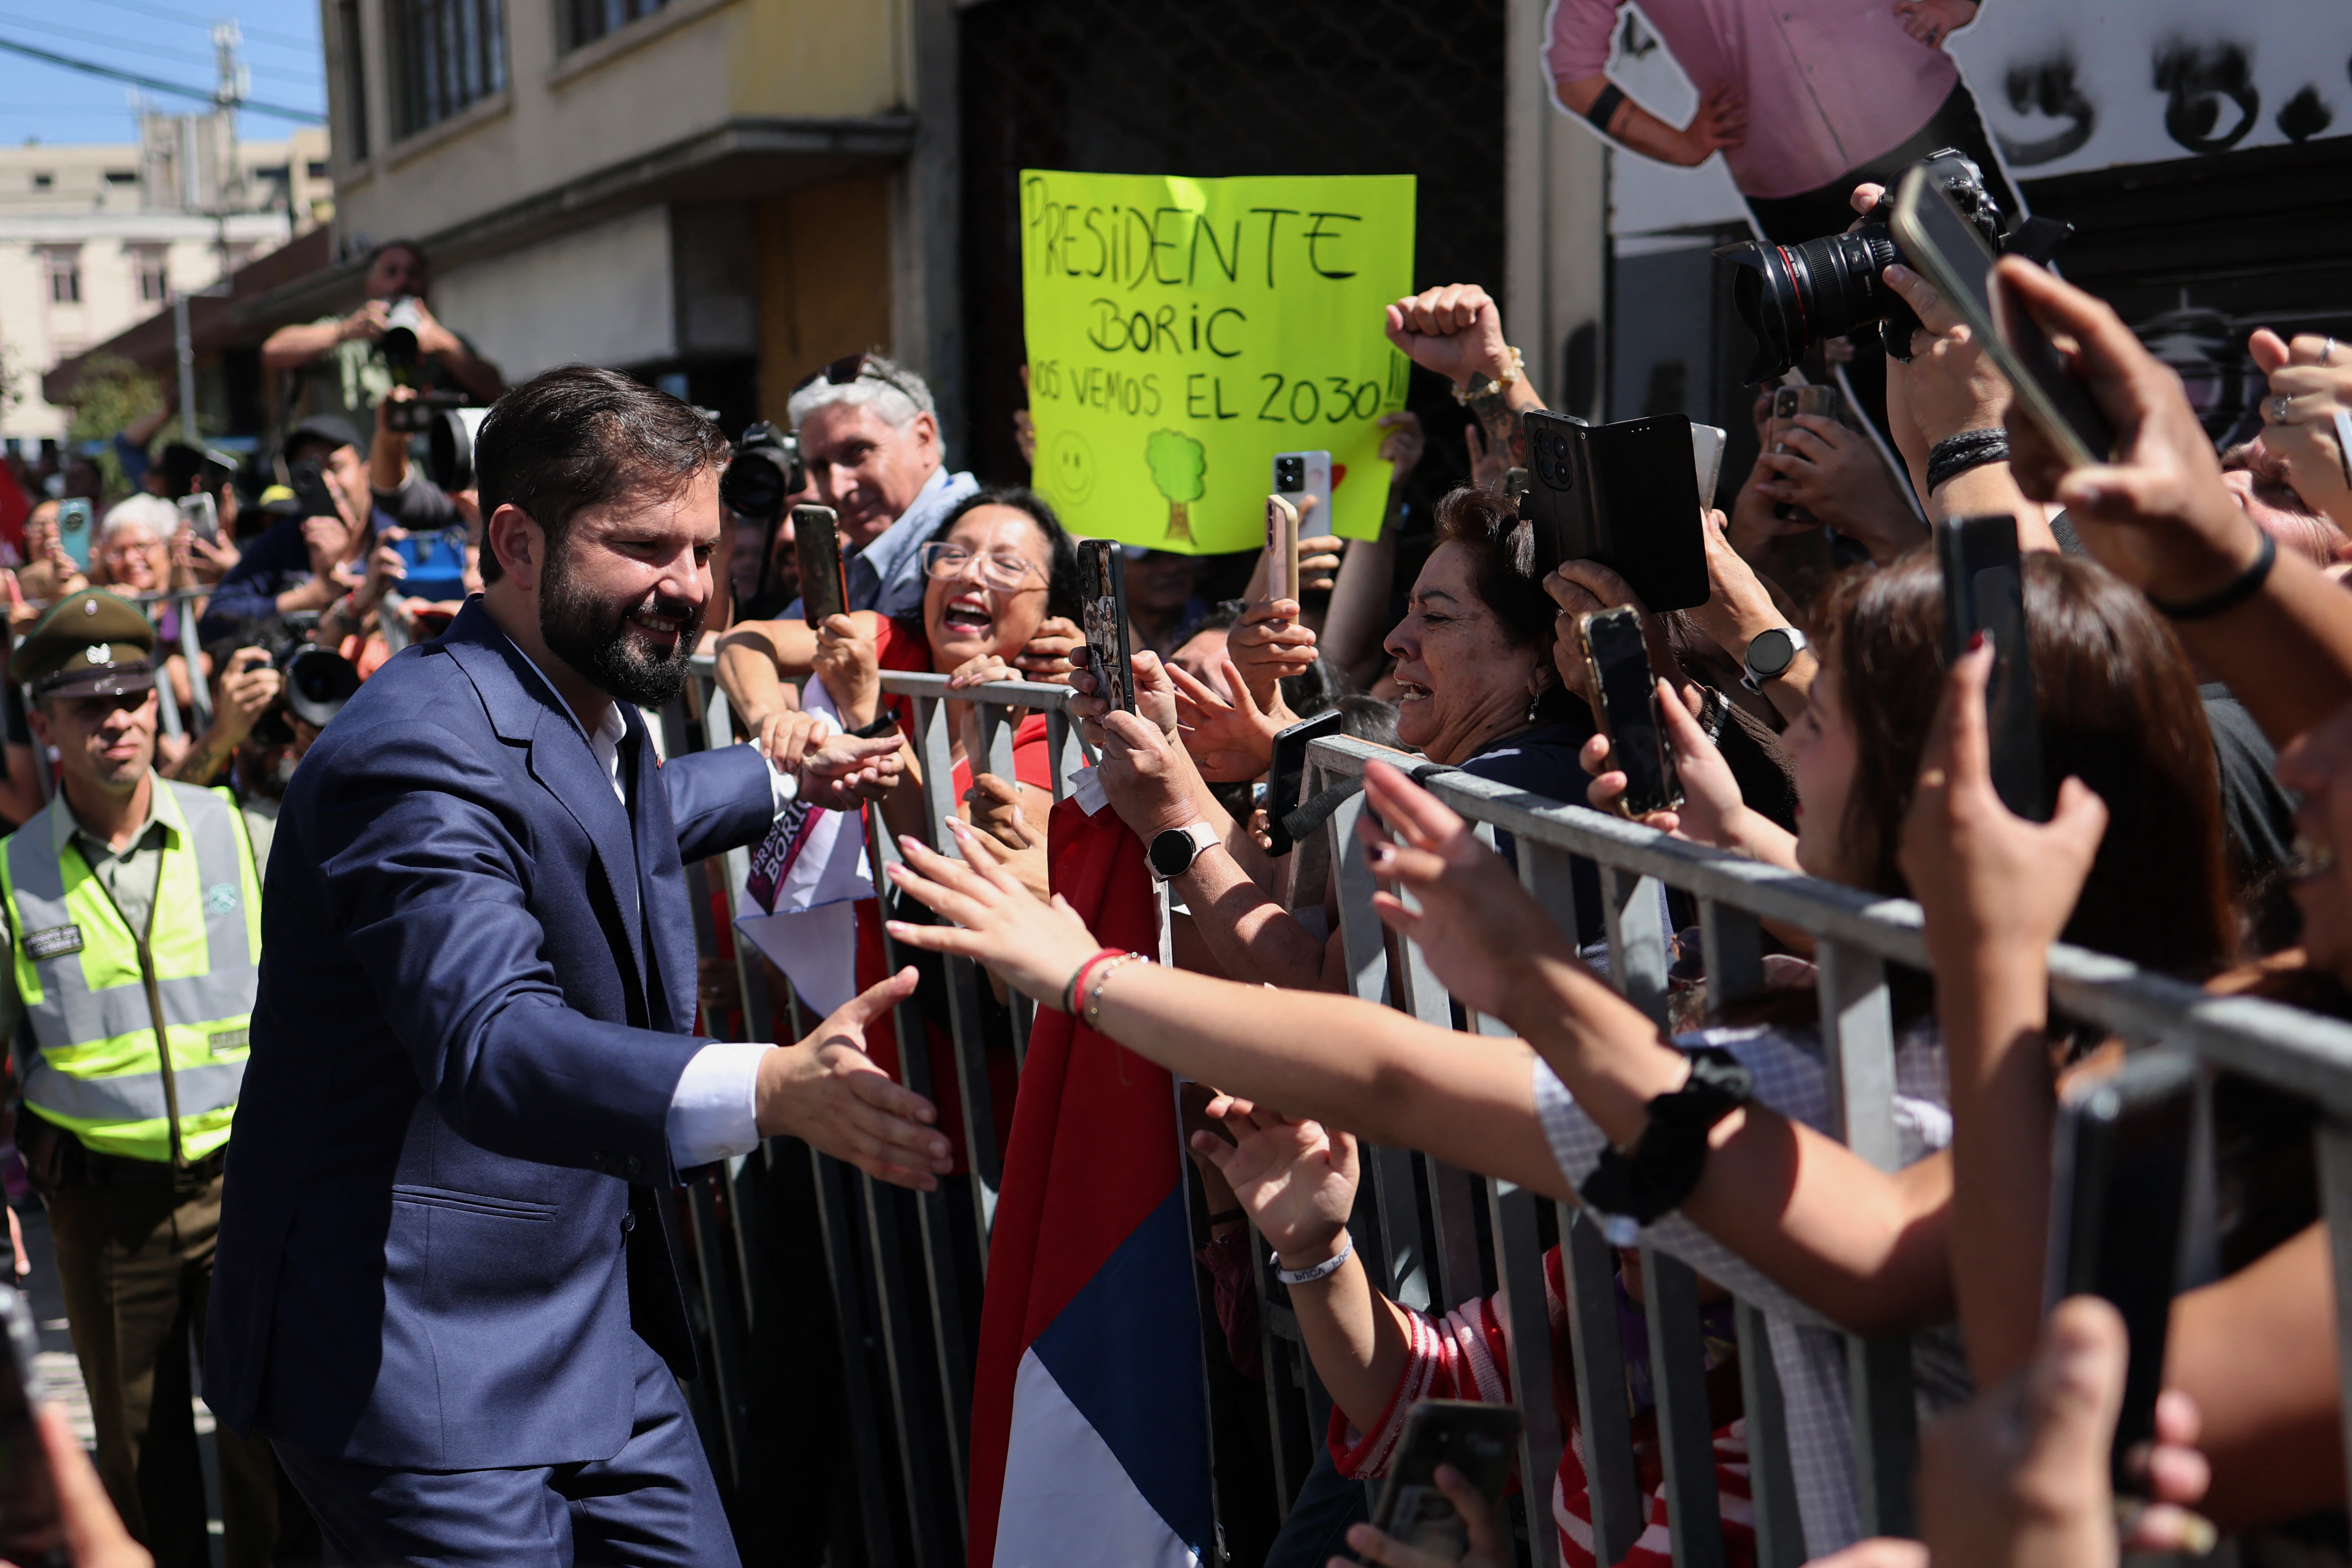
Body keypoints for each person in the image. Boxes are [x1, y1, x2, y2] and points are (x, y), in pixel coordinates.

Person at [203, 366, 942, 1566]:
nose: (691, 590)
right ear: (514, 541)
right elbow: (490, 1040)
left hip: (591, 1333)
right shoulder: (414, 757)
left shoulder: (576, 696)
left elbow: (609, 819)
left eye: (704, 550)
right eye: (645, 548)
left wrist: (777, 776)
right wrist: (766, 1086)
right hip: (414, 1359)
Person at [1, 589, 306, 1568]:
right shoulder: (11, 876)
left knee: (273, 1446)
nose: (119, 720)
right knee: (139, 1462)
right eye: (88, 706)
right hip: (103, 1211)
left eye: (132, 695)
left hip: (246, 1190)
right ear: (45, 723)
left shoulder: (238, 832)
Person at [1544, 0, 2019, 247]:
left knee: (2024, 297)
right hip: (1799, 189)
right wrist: (1679, 146)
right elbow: (1573, 70)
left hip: (1923, 122)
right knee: (1885, 365)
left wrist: (1955, 5)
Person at [787, 352, 981, 618]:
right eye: (820, 467)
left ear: (924, 439)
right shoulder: (863, 553)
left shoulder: (967, 541)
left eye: (858, 451)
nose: (836, 489)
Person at [260, 239, 504, 419]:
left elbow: (499, 395)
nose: (403, 282)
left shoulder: (445, 342)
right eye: (391, 272)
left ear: (427, 286)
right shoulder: (349, 337)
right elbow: (273, 351)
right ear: (370, 285)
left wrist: (446, 347)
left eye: (413, 273)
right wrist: (342, 332)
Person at [199, 417, 376, 638]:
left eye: (335, 467)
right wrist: (307, 597)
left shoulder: (393, 532)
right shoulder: (285, 539)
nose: (326, 483)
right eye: (309, 473)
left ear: (366, 472)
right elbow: (217, 615)